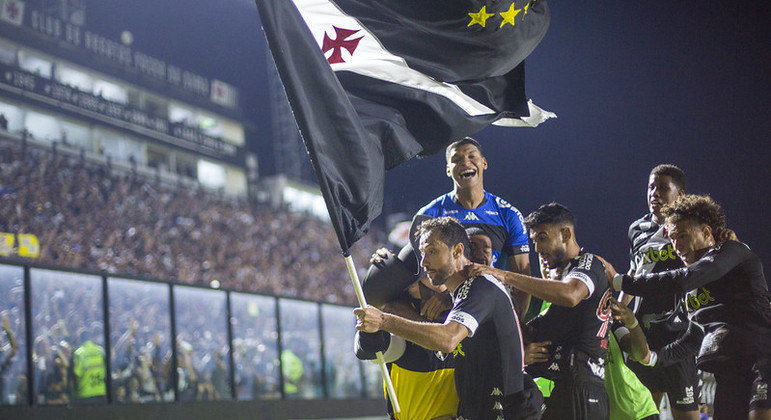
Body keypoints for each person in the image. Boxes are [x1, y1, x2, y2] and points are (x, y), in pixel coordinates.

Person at [355, 217, 541, 420]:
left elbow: (447, 340)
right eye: (423, 254)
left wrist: (383, 320)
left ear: (458, 251)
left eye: (432, 251)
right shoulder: (460, 296)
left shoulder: (480, 287)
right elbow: (369, 348)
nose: (424, 262)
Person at [609, 194, 771, 419]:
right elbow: (694, 336)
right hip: (729, 371)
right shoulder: (691, 289)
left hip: (763, 359)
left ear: (706, 232)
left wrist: (619, 281)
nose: (677, 245)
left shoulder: (733, 251)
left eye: (683, 235)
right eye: (673, 238)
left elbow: (685, 278)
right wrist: (655, 357)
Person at [466, 202, 610, 419]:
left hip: (581, 391)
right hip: (562, 389)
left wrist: (503, 275)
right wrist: (524, 351)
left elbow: (570, 294)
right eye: (533, 241)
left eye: (542, 238)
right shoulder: (561, 280)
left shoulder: (587, 263)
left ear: (566, 233)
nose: (537, 249)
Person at [417, 137, 531, 316]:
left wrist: (518, 325)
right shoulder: (429, 214)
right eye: (456, 160)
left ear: (484, 163)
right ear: (448, 170)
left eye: (472, 156)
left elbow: (523, 277)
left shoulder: (509, 214)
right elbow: (421, 270)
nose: (465, 162)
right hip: (449, 313)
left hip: (494, 309)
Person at [627, 164, 700, 419]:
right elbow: (633, 277)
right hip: (643, 336)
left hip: (680, 336)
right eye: (650, 187)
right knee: (644, 413)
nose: (654, 194)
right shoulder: (636, 229)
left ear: (680, 195)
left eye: (661, 188)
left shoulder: (694, 228)